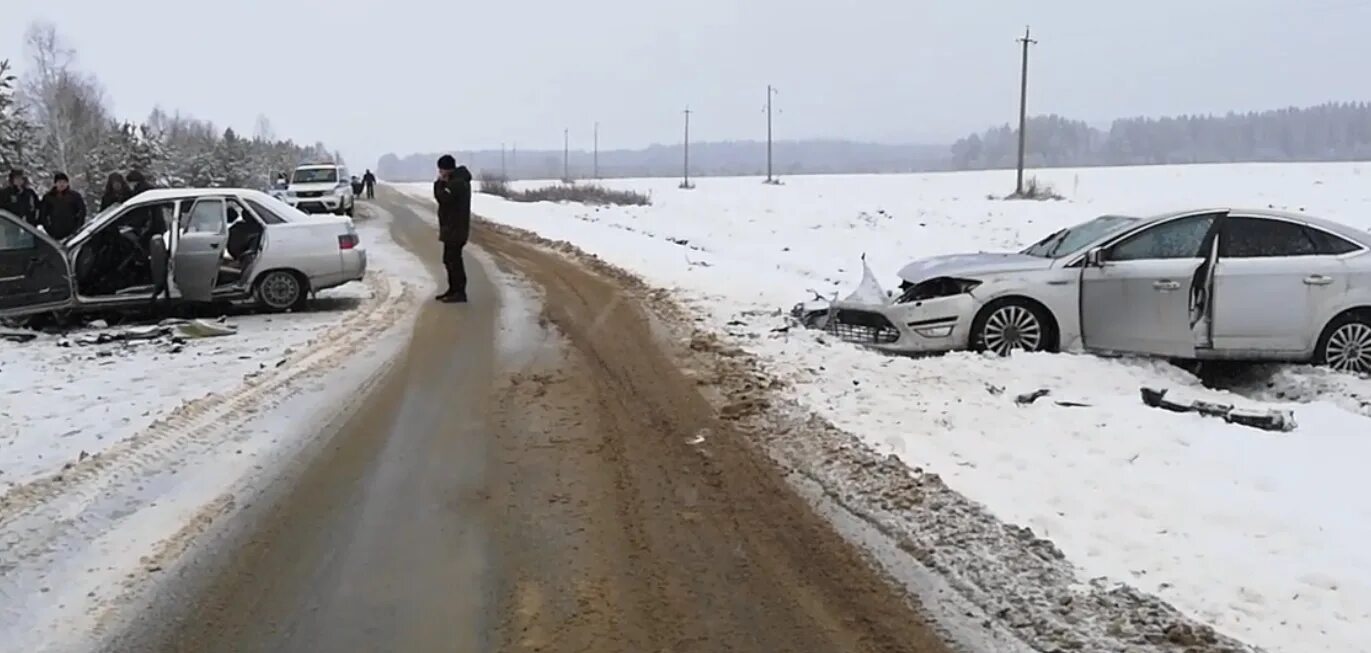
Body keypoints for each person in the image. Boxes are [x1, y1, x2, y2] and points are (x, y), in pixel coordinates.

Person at [433, 155, 472, 303]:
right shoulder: (455, 181)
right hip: (452, 228)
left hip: (456, 229)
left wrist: (439, 184)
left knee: (454, 261)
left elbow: (443, 198)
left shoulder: (457, 183)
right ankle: (453, 290)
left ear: (447, 169)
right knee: (449, 260)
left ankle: (459, 292)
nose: (440, 172)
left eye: (441, 169)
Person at [37, 172, 88, 240]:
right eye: (60, 182)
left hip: (72, 231)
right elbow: (43, 214)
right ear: (55, 183)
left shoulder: (74, 196)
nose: (62, 184)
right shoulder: (48, 197)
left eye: (64, 182)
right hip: (55, 231)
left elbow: (82, 212)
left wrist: (77, 228)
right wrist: (48, 229)